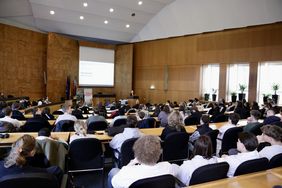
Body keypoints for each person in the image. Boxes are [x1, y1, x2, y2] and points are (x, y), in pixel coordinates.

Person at [109, 135, 179, 188]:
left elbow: (114, 183)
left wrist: (131, 163)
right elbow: (178, 170)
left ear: (136, 153)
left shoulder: (127, 171)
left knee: (113, 171)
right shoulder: (168, 166)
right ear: (160, 152)